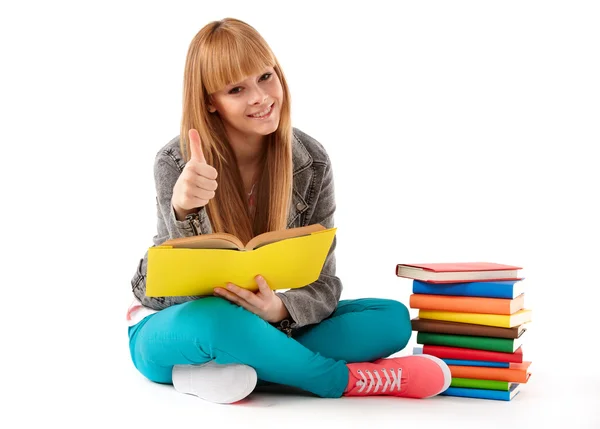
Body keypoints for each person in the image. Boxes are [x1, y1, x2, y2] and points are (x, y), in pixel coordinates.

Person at [127, 17, 451, 404]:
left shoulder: (310, 161)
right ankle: (340, 380)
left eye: (266, 76)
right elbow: (163, 289)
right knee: (218, 320)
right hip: (182, 326)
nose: (261, 97)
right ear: (210, 102)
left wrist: (279, 307)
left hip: (268, 327)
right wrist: (181, 210)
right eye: (236, 89)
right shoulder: (175, 162)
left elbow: (324, 283)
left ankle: (230, 373)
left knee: (391, 320)